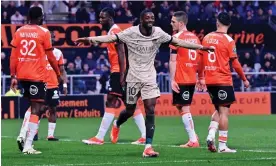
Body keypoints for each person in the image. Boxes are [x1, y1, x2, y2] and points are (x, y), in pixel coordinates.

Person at [75, 9, 213, 158]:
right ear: (141, 20)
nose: (150, 20)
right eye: (147, 18)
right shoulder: (130, 32)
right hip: (133, 78)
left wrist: (201, 48)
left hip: (149, 78)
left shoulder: (158, 32)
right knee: (129, 110)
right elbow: (111, 39)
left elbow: (178, 42)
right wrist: (89, 39)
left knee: (150, 109)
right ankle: (117, 124)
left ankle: (148, 147)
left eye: (152, 18)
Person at [81, 7, 146, 145]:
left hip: (119, 71)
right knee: (131, 105)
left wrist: (122, 73)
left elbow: (122, 53)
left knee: (111, 100)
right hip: (122, 70)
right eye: (99, 17)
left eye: (102, 17)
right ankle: (144, 134)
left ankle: (99, 137)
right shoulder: (113, 31)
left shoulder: (115, 31)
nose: (100, 20)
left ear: (110, 18)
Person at [10, 7, 61, 154]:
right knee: (37, 109)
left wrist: (13, 76)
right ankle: (28, 146)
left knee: (33, 107)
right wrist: (57, 72)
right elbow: (51, 56)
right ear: (40, 17)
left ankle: (23, 138)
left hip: (22, 74)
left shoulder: (19, 31)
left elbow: (13, 56)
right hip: (36, 75)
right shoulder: (43, 32)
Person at [199, 12, 250, 153]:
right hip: (222, 79)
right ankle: (222, 146)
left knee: (218, 109)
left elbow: (201, 59)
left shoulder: (207, 37)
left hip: (210, 80)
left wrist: (201, 77)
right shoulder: (228, 40)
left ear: (217, 22)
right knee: (224, 112)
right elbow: (236, 63)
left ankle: (210, 135)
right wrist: (244, 79)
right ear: (230, 24)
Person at [17, 31, 68, 143]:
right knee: (38, 109)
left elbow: (62, 70)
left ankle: (50, 135)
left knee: (53, 109)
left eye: (53, 37)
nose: (52, 39)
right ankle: (33, 132)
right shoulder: (39, 51)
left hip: (53, 85)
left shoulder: (58, 53)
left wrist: (64, 84)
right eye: (50, 37)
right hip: (41, 83)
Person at [169, 11, 202, 148]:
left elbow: (172, 60)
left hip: (181, 77)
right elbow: (200, 59)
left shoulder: (176, 37)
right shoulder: (195, 38)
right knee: (180, 106)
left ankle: (193, 140)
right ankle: (193, 134)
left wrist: (172, 79)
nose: (171, 24)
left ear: (181, 23)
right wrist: (200, 76)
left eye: (173, 22)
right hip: (191, 77)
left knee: (184, 107)